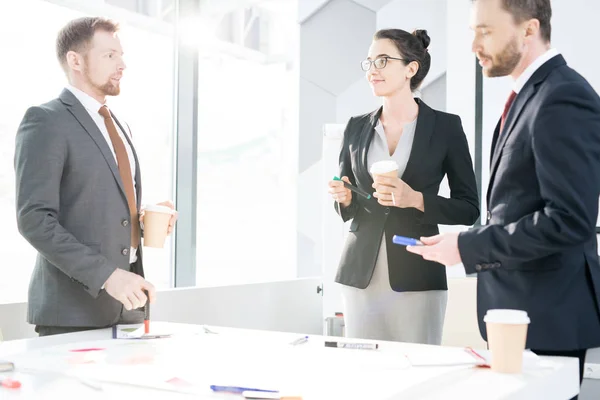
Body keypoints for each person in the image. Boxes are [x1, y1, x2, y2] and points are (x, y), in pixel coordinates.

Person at [407, 0, 600, 393]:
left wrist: (468, 245)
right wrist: (461, 242)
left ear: (529, 30)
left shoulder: (562, 98)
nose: (474, 45)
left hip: (548, 319)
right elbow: (515, 206)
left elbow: (568, 219)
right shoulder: (531, 94)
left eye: (486, 31)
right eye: (473, 32)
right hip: (523, 317)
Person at [14, 17, 177, 336]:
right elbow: (35, 219)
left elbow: (99, 210)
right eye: (110, 55)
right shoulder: (46, 121)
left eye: (121, 55)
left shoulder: (118, 124)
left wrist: (143, 222)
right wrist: (108, 276)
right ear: (75, 60)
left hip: (127, 309)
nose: (122, 64)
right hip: (73, 314)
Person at [327, 28, 479, 345]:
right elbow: (351, 198)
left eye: (382, 60)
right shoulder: (356, 126)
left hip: (418, 274)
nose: (373, 70)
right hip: (359, 275)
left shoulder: (446, 128)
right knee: (363, 377)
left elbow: (469, 208)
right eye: (369, 62)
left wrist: (415, 199)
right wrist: (343, 197)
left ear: (411, 69)